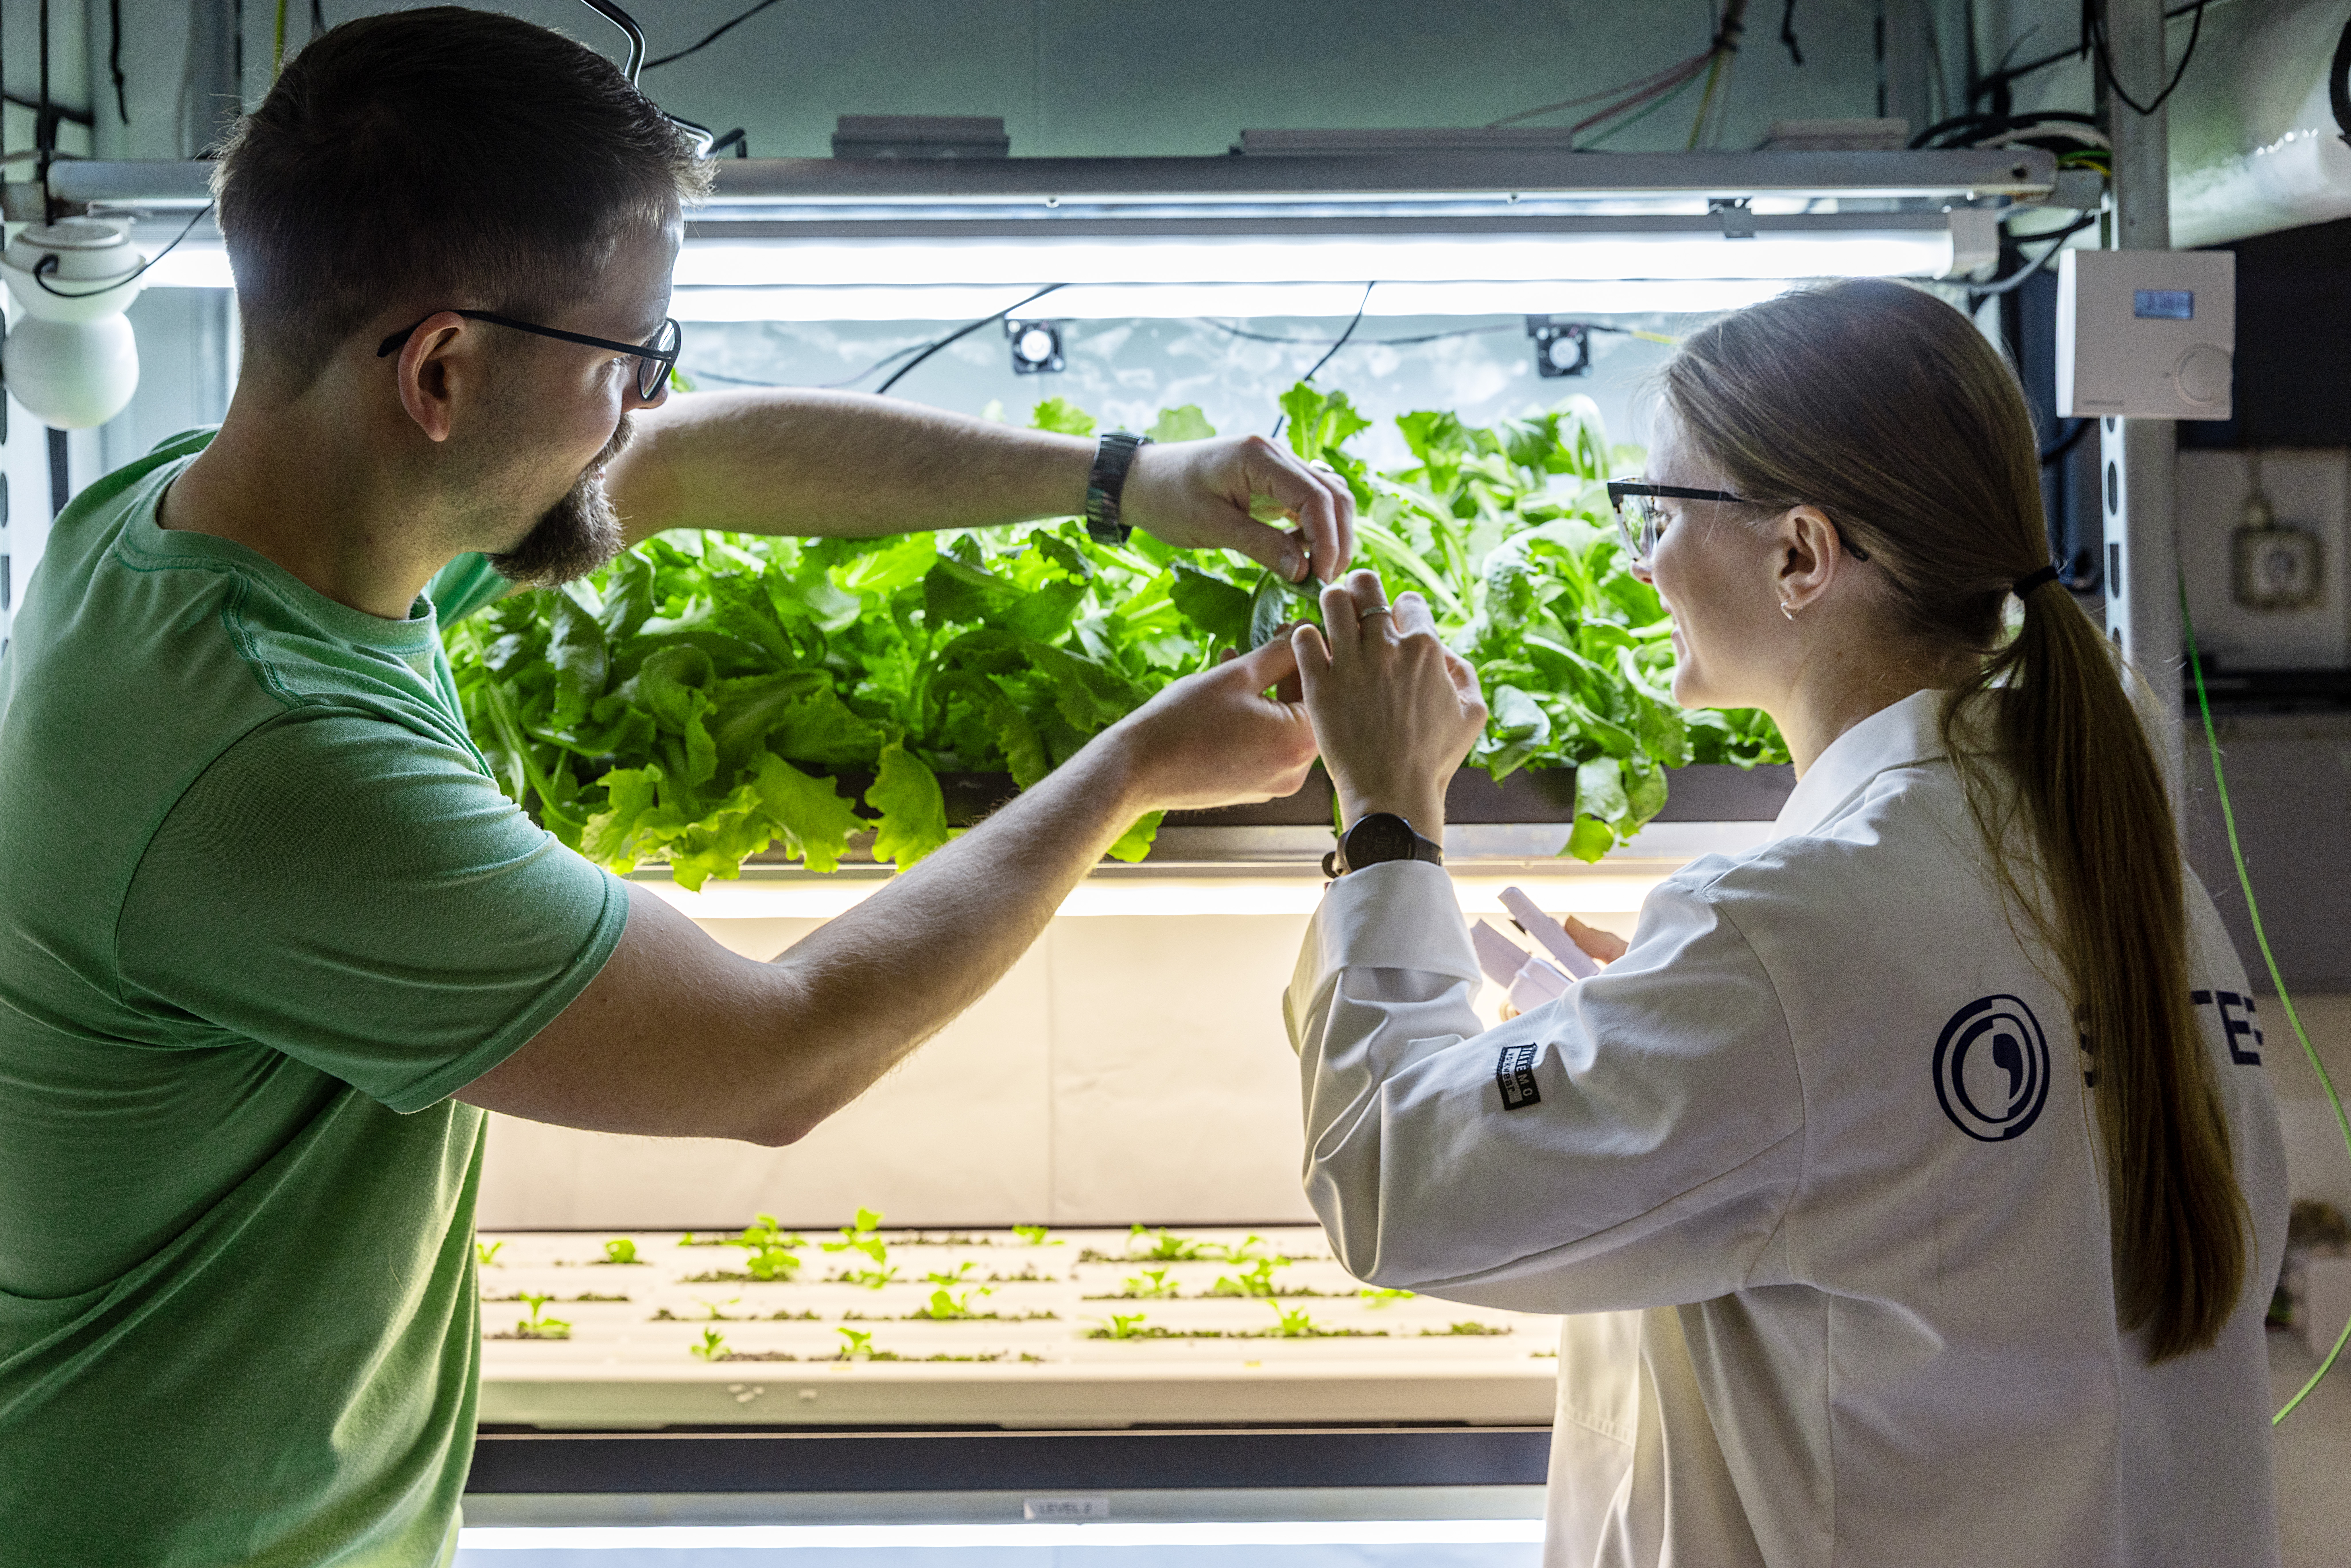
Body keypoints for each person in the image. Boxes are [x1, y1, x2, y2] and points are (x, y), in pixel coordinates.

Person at [0, 12, 1349, 1566]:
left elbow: (683, 465)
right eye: (626, 352)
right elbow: (773, 1058)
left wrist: (1125, 480)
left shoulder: (213, 522)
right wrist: (1139, 768)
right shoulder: (277, 757)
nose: (644, 395)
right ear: (441, 370)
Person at [1285, 278, 2287, 1568]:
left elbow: (1394, 1187)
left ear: (1799, 555)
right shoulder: (2136, 885)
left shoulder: (1795, 929)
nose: (1640, 559)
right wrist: (1645, 1033)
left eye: (1658, 511)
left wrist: (1384, 816)